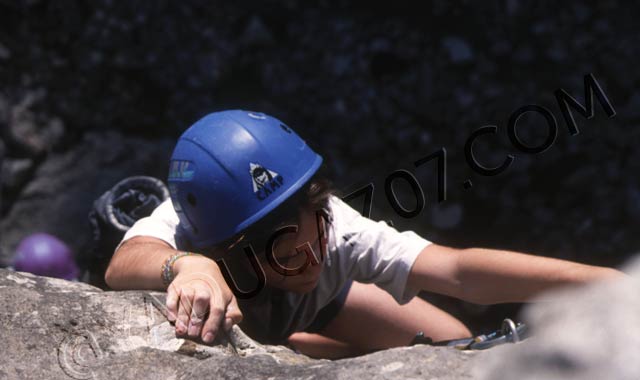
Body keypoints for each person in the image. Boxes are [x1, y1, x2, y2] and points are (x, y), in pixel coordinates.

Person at [104, 110, 623, 359]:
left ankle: (309, 341)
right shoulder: (186, 228)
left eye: (315, 236)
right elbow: (123, 264)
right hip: (269, 324)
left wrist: (611, 285)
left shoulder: (333, 224)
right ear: (229, 247)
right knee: (308, 355)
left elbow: (457, 271)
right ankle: (307, 346)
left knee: (452, 345)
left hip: (321, 306)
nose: (310, 256)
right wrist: (188, 266)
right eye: (287, 256)